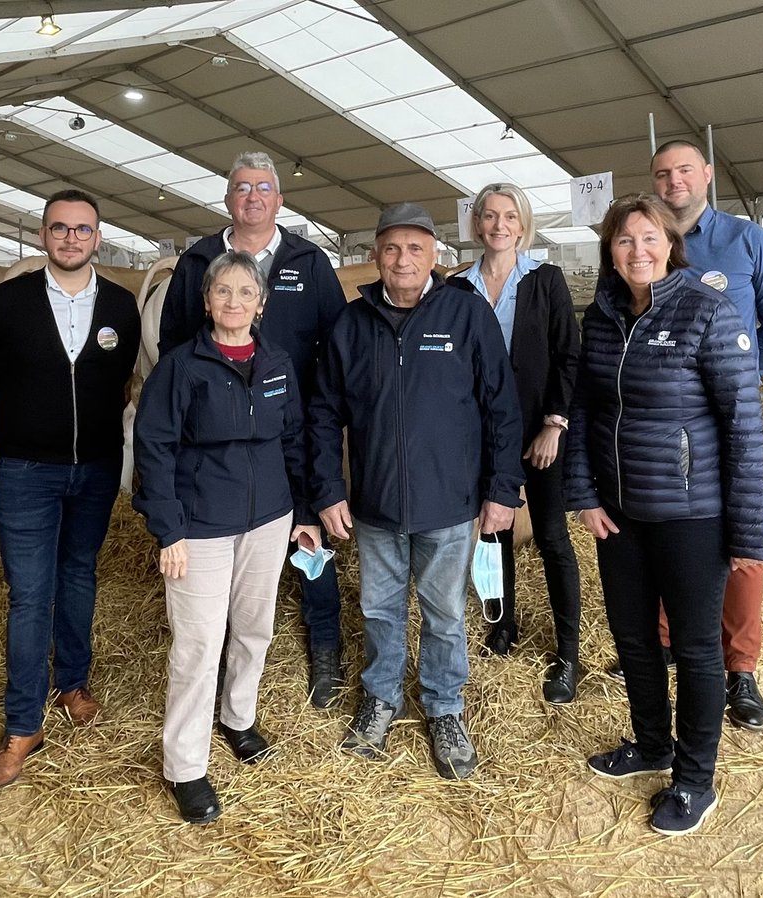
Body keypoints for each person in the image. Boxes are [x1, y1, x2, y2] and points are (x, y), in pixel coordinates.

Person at [566, 193, 763, 836]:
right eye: (624, 240)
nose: (638, 251)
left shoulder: (707, 309)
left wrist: (747, 531)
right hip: (620, 514)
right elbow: (582, 414)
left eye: (649, 237)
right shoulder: (599, 318)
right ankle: (651, 743)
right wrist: (585, 495)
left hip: (692, 514)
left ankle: (694, 778)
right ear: (610, 250)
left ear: (670, 243)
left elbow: (744, 424)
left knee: (696, 648)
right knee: (632, 639)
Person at [310, 203, 525, 779]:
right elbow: (325, 413)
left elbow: (502, 409)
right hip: (375, 503)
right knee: (378, 608)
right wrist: (330, 490)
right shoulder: (352, 324)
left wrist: (503, 490)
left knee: (445, 612)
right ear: (375, 256)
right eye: (391, 249)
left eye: (415, 249)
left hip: (450, 503)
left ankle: (445, 706)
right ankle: (381, 697)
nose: (402, 260)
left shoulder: (465, 313)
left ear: (436, 256)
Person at [612, 139, 763, 733]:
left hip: (725, 418)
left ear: (707, 175)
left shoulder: (747, 240)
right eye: (662, 173)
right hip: (660, 430)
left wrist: (739, 380)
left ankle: (739, 666)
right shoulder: (642, 249)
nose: (673, 182)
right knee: (668, 537)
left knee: (736, 546)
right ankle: (667, 644)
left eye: (684, 170)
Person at [134, 251, 321, 824]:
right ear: (206, 300)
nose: (234, 302)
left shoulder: (277, 364)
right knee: (197, 644)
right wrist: (168, 528)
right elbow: (154, 448)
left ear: (261, 304)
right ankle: (185, 766)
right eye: (223, 292)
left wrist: (304, 514)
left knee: (255, 628)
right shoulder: (182, 367)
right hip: (201, 527)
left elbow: (294, 441)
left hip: (269, 519)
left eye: (246, 293)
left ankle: (238, 718)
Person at [157, 152, 348, 710]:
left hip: (297, 425)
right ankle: (215, 666)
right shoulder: (197, 261)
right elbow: (173, 346)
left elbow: (335, 346)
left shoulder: (308, 262)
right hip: (212, 442)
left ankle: (325, 646)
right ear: (227, 199)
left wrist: (328, 416)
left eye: (264, 187)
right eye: (242, 187)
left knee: (308, 521)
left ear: (279, 200)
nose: (253, 196)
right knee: (216, 557)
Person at [0, 189, 140, 794]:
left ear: (98, 237)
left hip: (94, 466)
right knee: (28, 593)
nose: (71, 238)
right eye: (60, 229)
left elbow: (117, 377)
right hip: (26, 470)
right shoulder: (5, 302)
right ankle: (22, 725)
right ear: (43, 236)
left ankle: (73, 681)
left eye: (83, 229)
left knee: (78, 576)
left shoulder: (120, 303)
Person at [448, 183, 582, 704]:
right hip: (481, 434)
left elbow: (568, 354)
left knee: (550, 536)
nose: (499, 225)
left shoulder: (545, 281)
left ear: (522, 226)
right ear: (477, 224)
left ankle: (567, 652)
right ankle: (503, 627)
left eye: (510, 216)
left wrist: (555, 423)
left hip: (537, 433)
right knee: (493, 533)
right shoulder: (458, 289)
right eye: (489, 216)